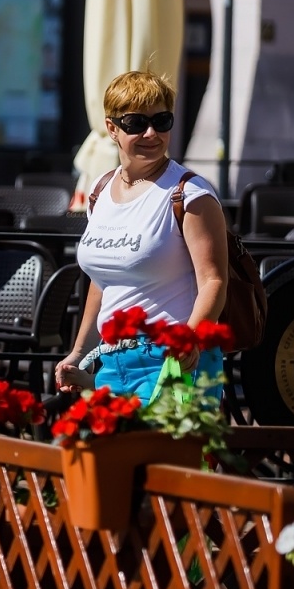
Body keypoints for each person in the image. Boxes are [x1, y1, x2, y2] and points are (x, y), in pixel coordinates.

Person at [54, 71, 230, 401]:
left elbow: (214, 281)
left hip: (174, 360)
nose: (151, 133)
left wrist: (189, 340)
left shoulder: (189, 194)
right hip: (112, 359)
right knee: (108, 453)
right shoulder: (100, 190)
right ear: (112, 129)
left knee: (167, 454)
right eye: (136, 123)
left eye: (162, 120)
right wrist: (79, 352)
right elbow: (102, 281)